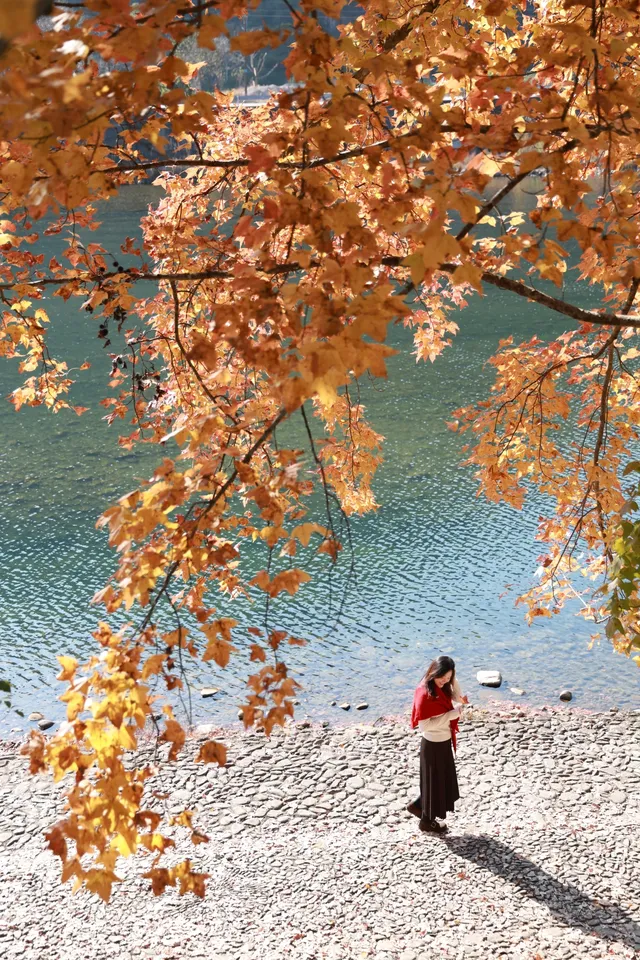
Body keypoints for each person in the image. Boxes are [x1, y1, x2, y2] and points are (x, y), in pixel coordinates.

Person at [407, 655, 468, 834]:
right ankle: (426, 822)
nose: (445, 681)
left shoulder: (440, 686)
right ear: (434, 672)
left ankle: (417, 806)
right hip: (433, 745)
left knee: (438, 782)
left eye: (448, 678)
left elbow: (457, 695)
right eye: (442, 677)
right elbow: (424, 726)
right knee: (435, 784)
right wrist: (451, 715)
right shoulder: (424, 694)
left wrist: (451, 679)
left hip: (443, 741)